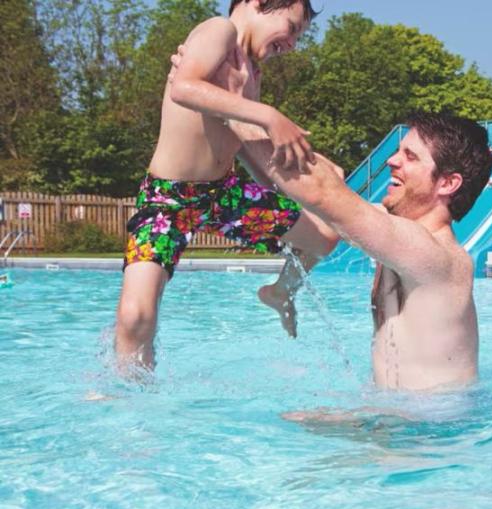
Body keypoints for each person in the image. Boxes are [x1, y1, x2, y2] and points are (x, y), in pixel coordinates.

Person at [115, 0, 339, 370]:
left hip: (224, 194)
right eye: (293, 27)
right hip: (167, 200)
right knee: (136, 316)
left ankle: (281, 291)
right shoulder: (219, 31)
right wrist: (270, 116)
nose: (294, 43)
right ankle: (127, 398)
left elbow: (247, 146)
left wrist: (302, 184)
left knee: (326, 235)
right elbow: (184, 87)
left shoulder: (252, 70)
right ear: (257, 3)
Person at [230, 111, 492, 392]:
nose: (392, 161)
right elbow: (309, 203)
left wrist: (230, 109)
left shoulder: (435, 255)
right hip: (400, 419)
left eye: (410, 157)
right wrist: (238, 136)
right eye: (398, 152)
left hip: (429, 428)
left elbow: (323, 192)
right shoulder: (401, 234)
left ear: (447, 183)